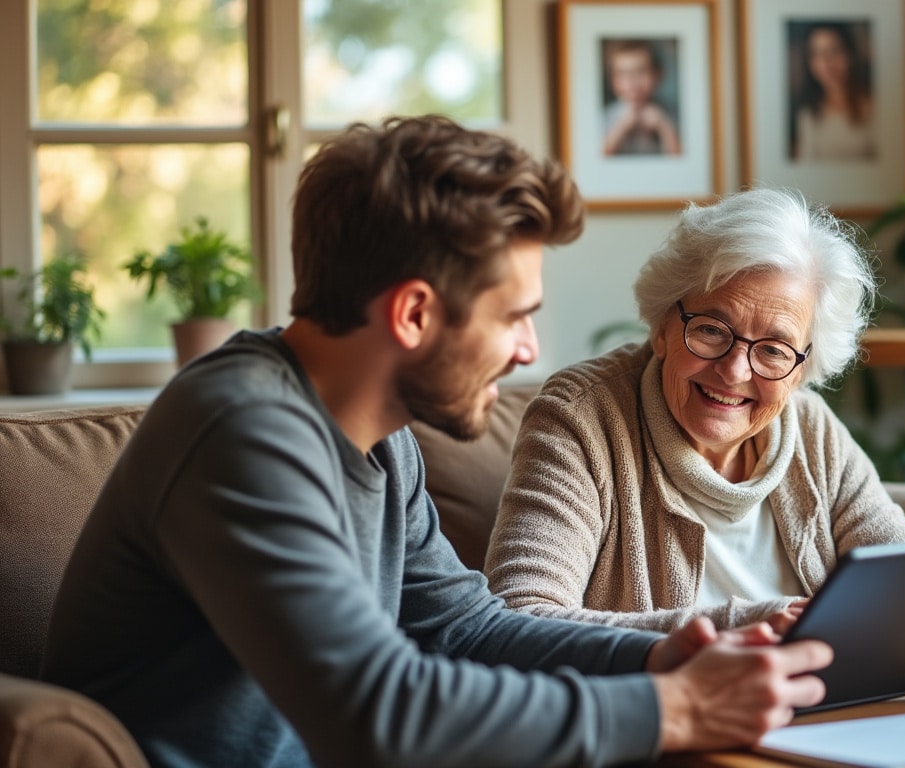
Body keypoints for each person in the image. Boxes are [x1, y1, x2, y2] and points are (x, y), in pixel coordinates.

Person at [40, 116, 831, 768]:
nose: (529, 348)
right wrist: (673, 708)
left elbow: (466, 631)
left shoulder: (381, 439)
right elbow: (377, 715)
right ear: (414, 314)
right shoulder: (240, 431)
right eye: (514, 314)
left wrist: (656, 661)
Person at [484, 187, 905, 683]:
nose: (735, 371)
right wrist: (746, 623)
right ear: (661, 328)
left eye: (773, 349)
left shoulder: (813, 430)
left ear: (802, 370)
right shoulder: (581, 418)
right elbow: (518, 619)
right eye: (710, 330)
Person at [792, 22, 875, 161]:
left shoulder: (875, 106)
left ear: (850, 54)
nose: (825, 63)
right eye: (816, 54)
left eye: (834, 51)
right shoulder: (807, 113)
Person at [602, 39, 682, 156]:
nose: (633, 82)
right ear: (613, 80)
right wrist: (621, 128)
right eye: (623, 74)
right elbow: (596, 160)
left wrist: (664, 127)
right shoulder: (605, 117)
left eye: (641, 71)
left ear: (658, 74)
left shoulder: (673, 115)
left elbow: (684, 161)